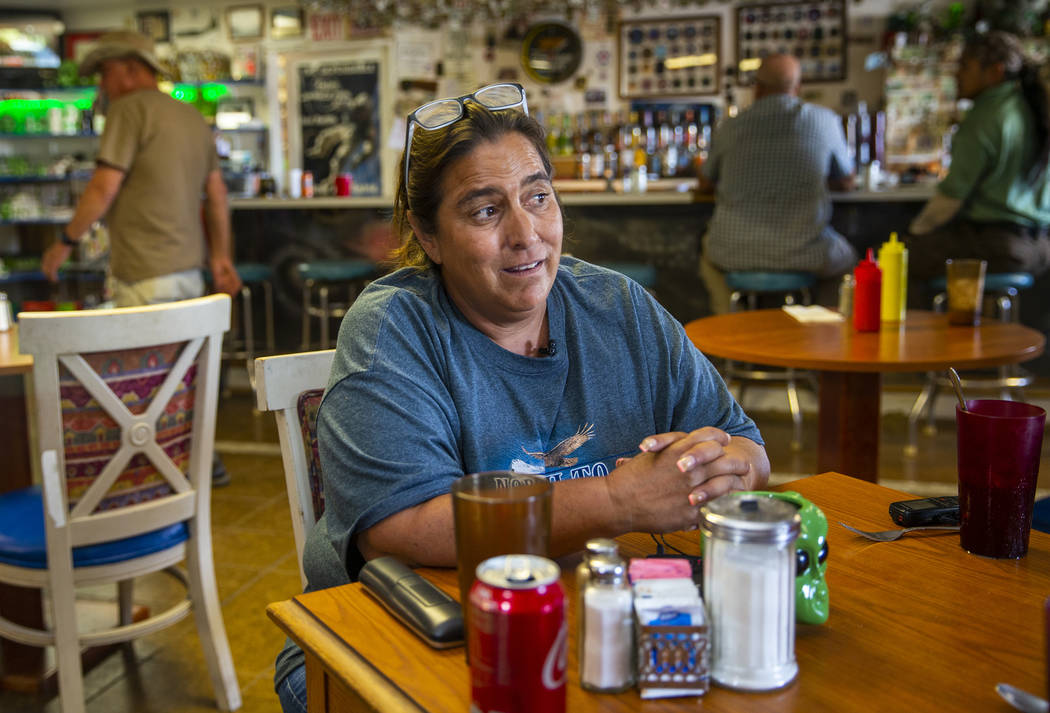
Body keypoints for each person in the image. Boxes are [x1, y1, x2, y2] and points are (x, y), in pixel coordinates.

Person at [273, 83, 770, 712]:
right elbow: (399, 530)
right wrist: (620, 498)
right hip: (390, 640)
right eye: (485, 211)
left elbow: (747, 446)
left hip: (580, 622)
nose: (525, 233)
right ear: (428, 236)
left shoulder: (618, 306)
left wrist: (716, 467)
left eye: (538, 197)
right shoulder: (392, 329)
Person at [40, 30, 242, 307]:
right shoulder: (191, 115)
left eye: (105, 73)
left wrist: (64, 244)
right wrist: (221, 258)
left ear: (131, 69)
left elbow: (103, 188)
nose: (103, 84)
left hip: (144, 277)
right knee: (184, 351)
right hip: (190, 276)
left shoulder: (127, 109)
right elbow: (217, 194)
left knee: (145, 352)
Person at [698, 54, 857, 314]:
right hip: (805, 251)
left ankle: (728, 331)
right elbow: (847, 180)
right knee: (847, 264)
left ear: (757, 88)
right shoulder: (824, 120)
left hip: (732, 252)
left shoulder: (731, 126)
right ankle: (826, 330)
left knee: (709, 260)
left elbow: (705, 182)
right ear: (797, 88)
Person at [906, 31, 1050, 280]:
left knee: (894, 259)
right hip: (1040, 246)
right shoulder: (1032, 105)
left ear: (995, 71)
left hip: (999, 244)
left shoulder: (986, 115)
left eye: (965, 67)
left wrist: (915, 232)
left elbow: (951, 197)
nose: (957, 75)